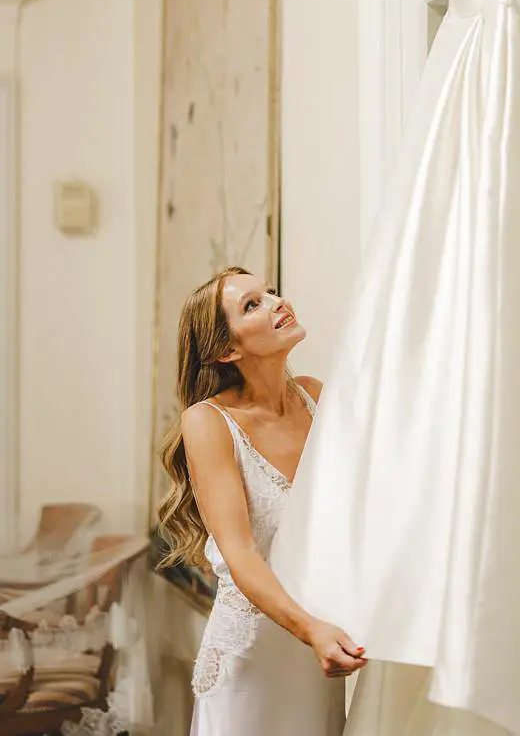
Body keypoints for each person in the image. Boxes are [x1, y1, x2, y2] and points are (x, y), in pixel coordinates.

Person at [156, 266, 362, 735]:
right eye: (253, 304)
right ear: (228, 349)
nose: (276, 302)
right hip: (253, 662)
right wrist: (311, 629)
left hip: (316, 659)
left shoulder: (315, 398)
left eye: (269, 292)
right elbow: (241, 554)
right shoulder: (207, 422)